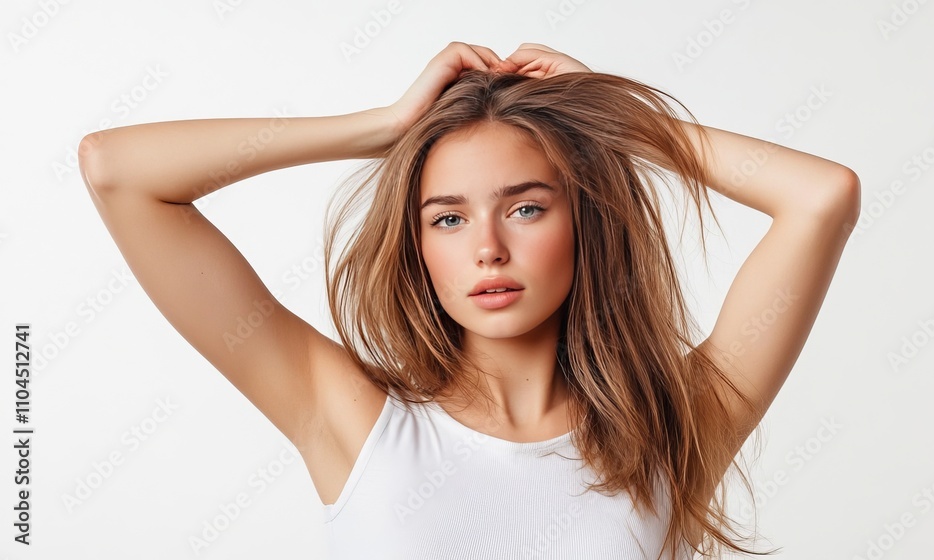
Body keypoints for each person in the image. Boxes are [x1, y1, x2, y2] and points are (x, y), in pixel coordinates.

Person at [78, 42, 860, 559]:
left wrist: (614, 119)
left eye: (526, 207)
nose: (488, 246)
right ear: (418, 246)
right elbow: (118, 170)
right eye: (448, 218)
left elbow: (822, 197)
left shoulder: (673, 426)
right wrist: (380, 127)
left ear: (584, 220)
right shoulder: (353, 417)